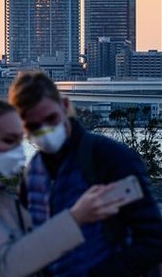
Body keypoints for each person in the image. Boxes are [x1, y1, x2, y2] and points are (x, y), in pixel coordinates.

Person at [0, 96, 122, 277]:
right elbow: (6, 264)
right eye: (8, 140)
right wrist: (75, 218)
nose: (18, 151)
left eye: (20, 140)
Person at [9, 71, 162, 276]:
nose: (45, 130)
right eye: (34, 126)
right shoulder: (33, 174)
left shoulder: (109, 158)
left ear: (64, 106)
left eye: (50, 119)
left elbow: (152, 239)